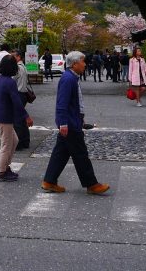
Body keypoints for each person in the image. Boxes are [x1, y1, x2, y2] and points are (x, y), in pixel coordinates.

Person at [40, 51, 109, 195]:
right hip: (70, 123)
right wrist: (63, 123)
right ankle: (92, 184)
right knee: (80, 154)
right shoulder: (68, 79)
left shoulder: (72, 77)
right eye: (83, 61)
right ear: (75, 64)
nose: (85, 64)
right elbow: (62, 103)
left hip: (73, 120)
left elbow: (74, 102)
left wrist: (79, 117)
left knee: (61, 153)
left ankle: (49, 181)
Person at [0, 54, 32, 182]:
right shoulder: (10, 82)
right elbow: (17, 102)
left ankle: (5, 167)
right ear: (14, 68)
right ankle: (2, 172)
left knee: (14, 140)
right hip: (5, 118)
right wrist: (26, 117)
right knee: (7, 144)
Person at [11, 49, 31, 150]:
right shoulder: (23, 67)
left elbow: (11, 79)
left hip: (18, 94)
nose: (12, 58)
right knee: (22, 119)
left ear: (18, 57)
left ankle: (19, 143)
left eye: (13, 56)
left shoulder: (18, 68)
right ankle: (25, 141)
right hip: (23, 94)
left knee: (17, 121)